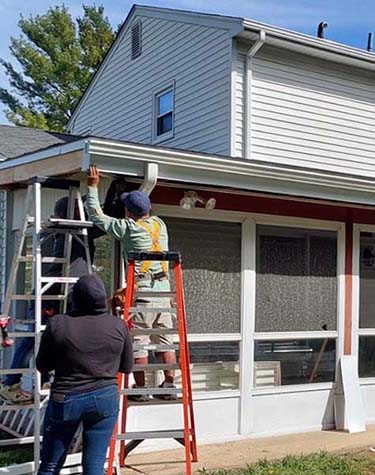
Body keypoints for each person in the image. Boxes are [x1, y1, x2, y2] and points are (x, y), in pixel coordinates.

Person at [0, 185, 122, 404]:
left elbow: (103, 215)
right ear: (74, 214)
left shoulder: (65, 229)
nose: (83, 211)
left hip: (56, 292)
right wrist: (116, 190)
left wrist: (113, 190)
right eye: (80, 209)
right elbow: (109, 220)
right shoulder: (76, 231)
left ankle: (38, 380)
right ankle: (10, 382)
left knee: (45, 336)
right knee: (33, 338)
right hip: (53, 294)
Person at [87, 165, 177, 401]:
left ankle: (140, 389)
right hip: (164, 291)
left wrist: (93, 187)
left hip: (144, 293)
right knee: (165, 341)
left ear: (128, 212)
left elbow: (97, 217)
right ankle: (168, 386)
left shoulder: (128, 228)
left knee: (139, 342)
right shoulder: (160, 225)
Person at [36, 274, 133, 475]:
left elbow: (42, 365)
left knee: (50, 465)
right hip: (105, 397)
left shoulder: (58, 324)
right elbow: (127, 367)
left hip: (66, 399)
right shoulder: (118, 325)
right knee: (94, 466)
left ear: (76, 298)